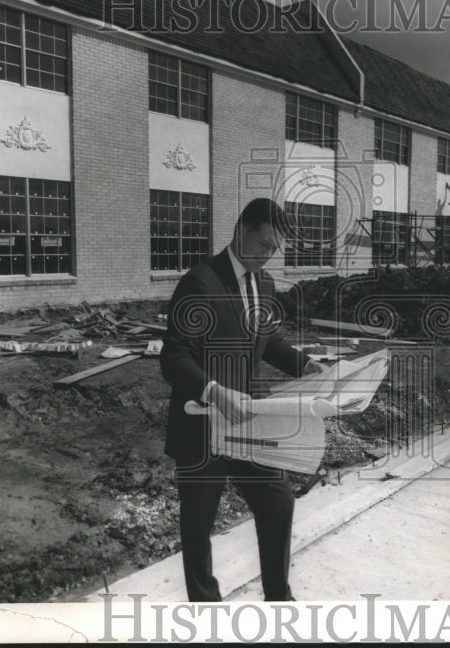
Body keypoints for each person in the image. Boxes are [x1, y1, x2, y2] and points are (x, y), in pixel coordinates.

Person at [160, 197, 323, 602]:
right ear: (241, 232)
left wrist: (306, 367)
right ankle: (206, 612)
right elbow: (174, 356)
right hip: (201, 426)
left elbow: (267, 341)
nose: (269, 255)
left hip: (246, 424)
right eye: (264, 244)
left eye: (275, 248)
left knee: (278, 500)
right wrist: (214, 391)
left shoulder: (263, 284)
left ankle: (278, 602)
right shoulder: (199, 282)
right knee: (198, 527)